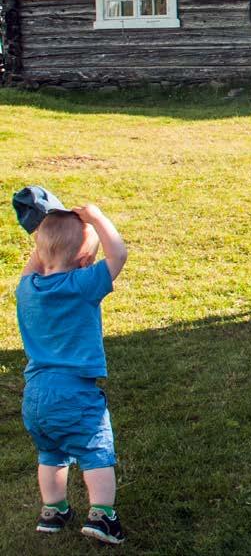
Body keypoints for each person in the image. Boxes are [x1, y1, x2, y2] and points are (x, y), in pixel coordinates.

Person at [13, 190, 128, 544]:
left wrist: (46, 229)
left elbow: (41, 259)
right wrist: (95, 217)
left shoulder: (27, 288)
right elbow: (119, 254)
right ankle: (102, 516)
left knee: (51, 452)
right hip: (75, 391)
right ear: (84, 261)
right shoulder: (83, 285)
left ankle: (53, 510)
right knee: (96, 450)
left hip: (35, 395)